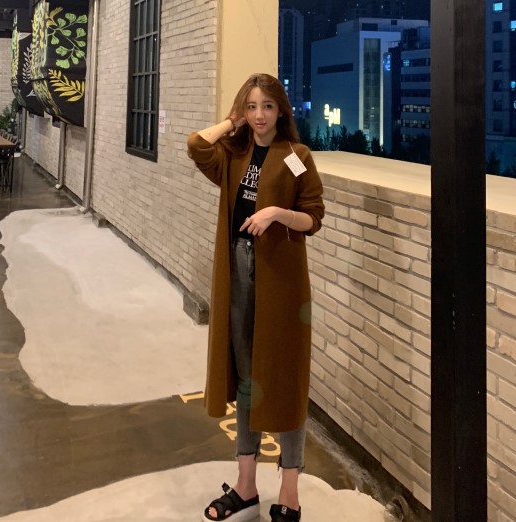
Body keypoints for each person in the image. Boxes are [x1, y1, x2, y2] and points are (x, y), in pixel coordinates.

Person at [187, 73, 324, 522]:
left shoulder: (297, 156)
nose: (259, 115)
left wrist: (277, 213)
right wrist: (231, 123)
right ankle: (246, 486)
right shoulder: (234, 153)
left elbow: (313, 218)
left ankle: (290, 493)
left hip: (281, 281)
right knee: (247, 377)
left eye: (267, 106)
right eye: (251, 106)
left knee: (285, 379)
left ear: (281, 109)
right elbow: (196, 145)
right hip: (238, 273)